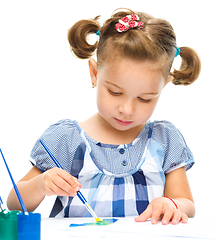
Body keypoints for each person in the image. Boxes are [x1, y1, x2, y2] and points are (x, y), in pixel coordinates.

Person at [7, 8, 201, 225]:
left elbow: (187, 204)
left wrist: (172, 204)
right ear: (94, 74)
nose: (127, 109)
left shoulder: (164, 140)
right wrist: (40, 184)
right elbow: (15, 204)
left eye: (145, 99)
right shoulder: (67, 140)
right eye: (115, 92)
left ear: (162, 87)